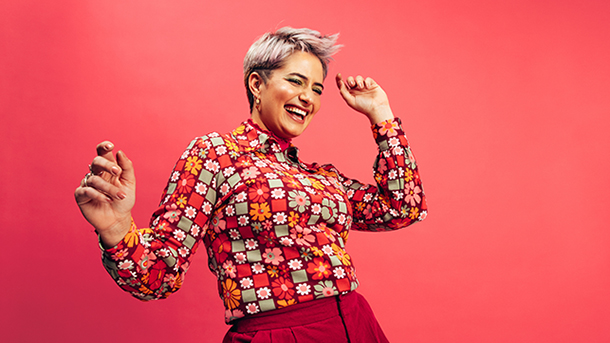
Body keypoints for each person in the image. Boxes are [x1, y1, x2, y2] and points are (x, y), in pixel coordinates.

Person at [75, 27, 427, 342]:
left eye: (317, 89)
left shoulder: (322, 177)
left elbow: (402, 207)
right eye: (296, 81)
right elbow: (155, 277)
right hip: (276, 334)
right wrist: (117, 228)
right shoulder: (215, 155)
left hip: (357, 324)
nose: (308, 97)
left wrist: (380, 114)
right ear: (257, 84)